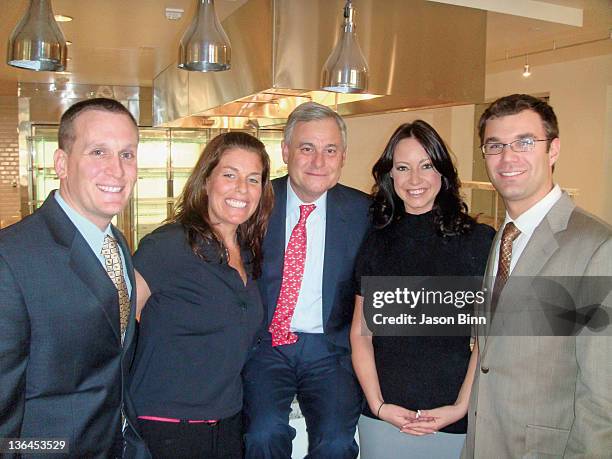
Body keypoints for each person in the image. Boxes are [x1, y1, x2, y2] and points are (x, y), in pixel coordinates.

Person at [458, 94, 612, 457]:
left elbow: (603, 398)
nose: (508, 158)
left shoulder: (596, 247)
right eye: (495, 145)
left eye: (525, 142)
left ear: (553, 149)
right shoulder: (502, 236)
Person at [0, 98, 148, 458]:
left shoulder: (116, 244)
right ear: (62, 163)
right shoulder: (12, 256)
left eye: (127, 154)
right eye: (98, 152)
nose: (116, 170)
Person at [350, 120, 495, 458]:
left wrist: (460, 406)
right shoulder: (375, 241)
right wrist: (379, 404)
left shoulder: (478, 242)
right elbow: (361, 334)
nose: (414, 180)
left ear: (442, 172)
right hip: (383, 418)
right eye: (403, 168)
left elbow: (489, 338)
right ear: (390, 175)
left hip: (452, 417)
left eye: (426, 166)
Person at [129, 132, 273, 458]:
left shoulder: (249, 253)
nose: (241, 188)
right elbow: (114, 325)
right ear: (206, 180)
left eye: (253, 179)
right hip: (166, 426)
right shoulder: (167, 246)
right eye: (229, 175)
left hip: (227, 423)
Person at [243, 101, 370, 458]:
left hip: (329, 350)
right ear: (285, 151)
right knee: (262, 432)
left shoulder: (364, 213)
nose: (318, 162)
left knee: (337, 443)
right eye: (306, 148)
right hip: (267, 344)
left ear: (343, 156)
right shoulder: (255, 202)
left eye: (330, 150)